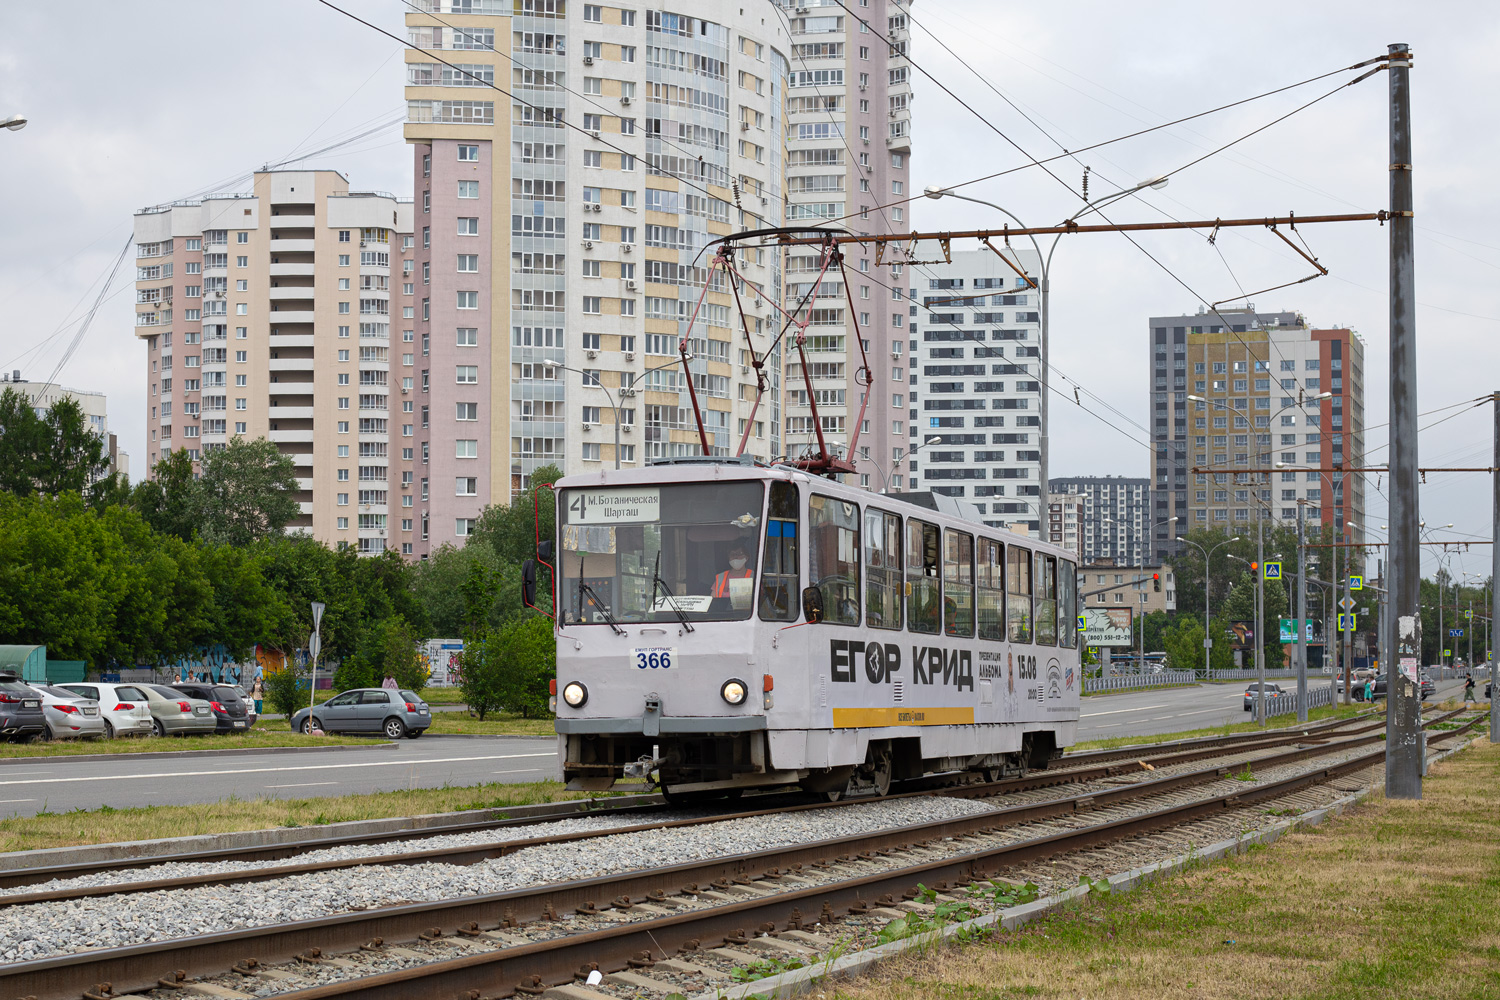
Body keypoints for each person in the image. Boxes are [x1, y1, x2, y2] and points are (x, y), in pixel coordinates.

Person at [711, 541, 755, 611]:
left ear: (746, 557)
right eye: (732, 554)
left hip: (747, 616)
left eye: (739, 554)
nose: (736, 557)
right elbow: (713, 600)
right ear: (729, 558)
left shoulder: (754, 576)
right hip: (722, 615)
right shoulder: (720, 577)